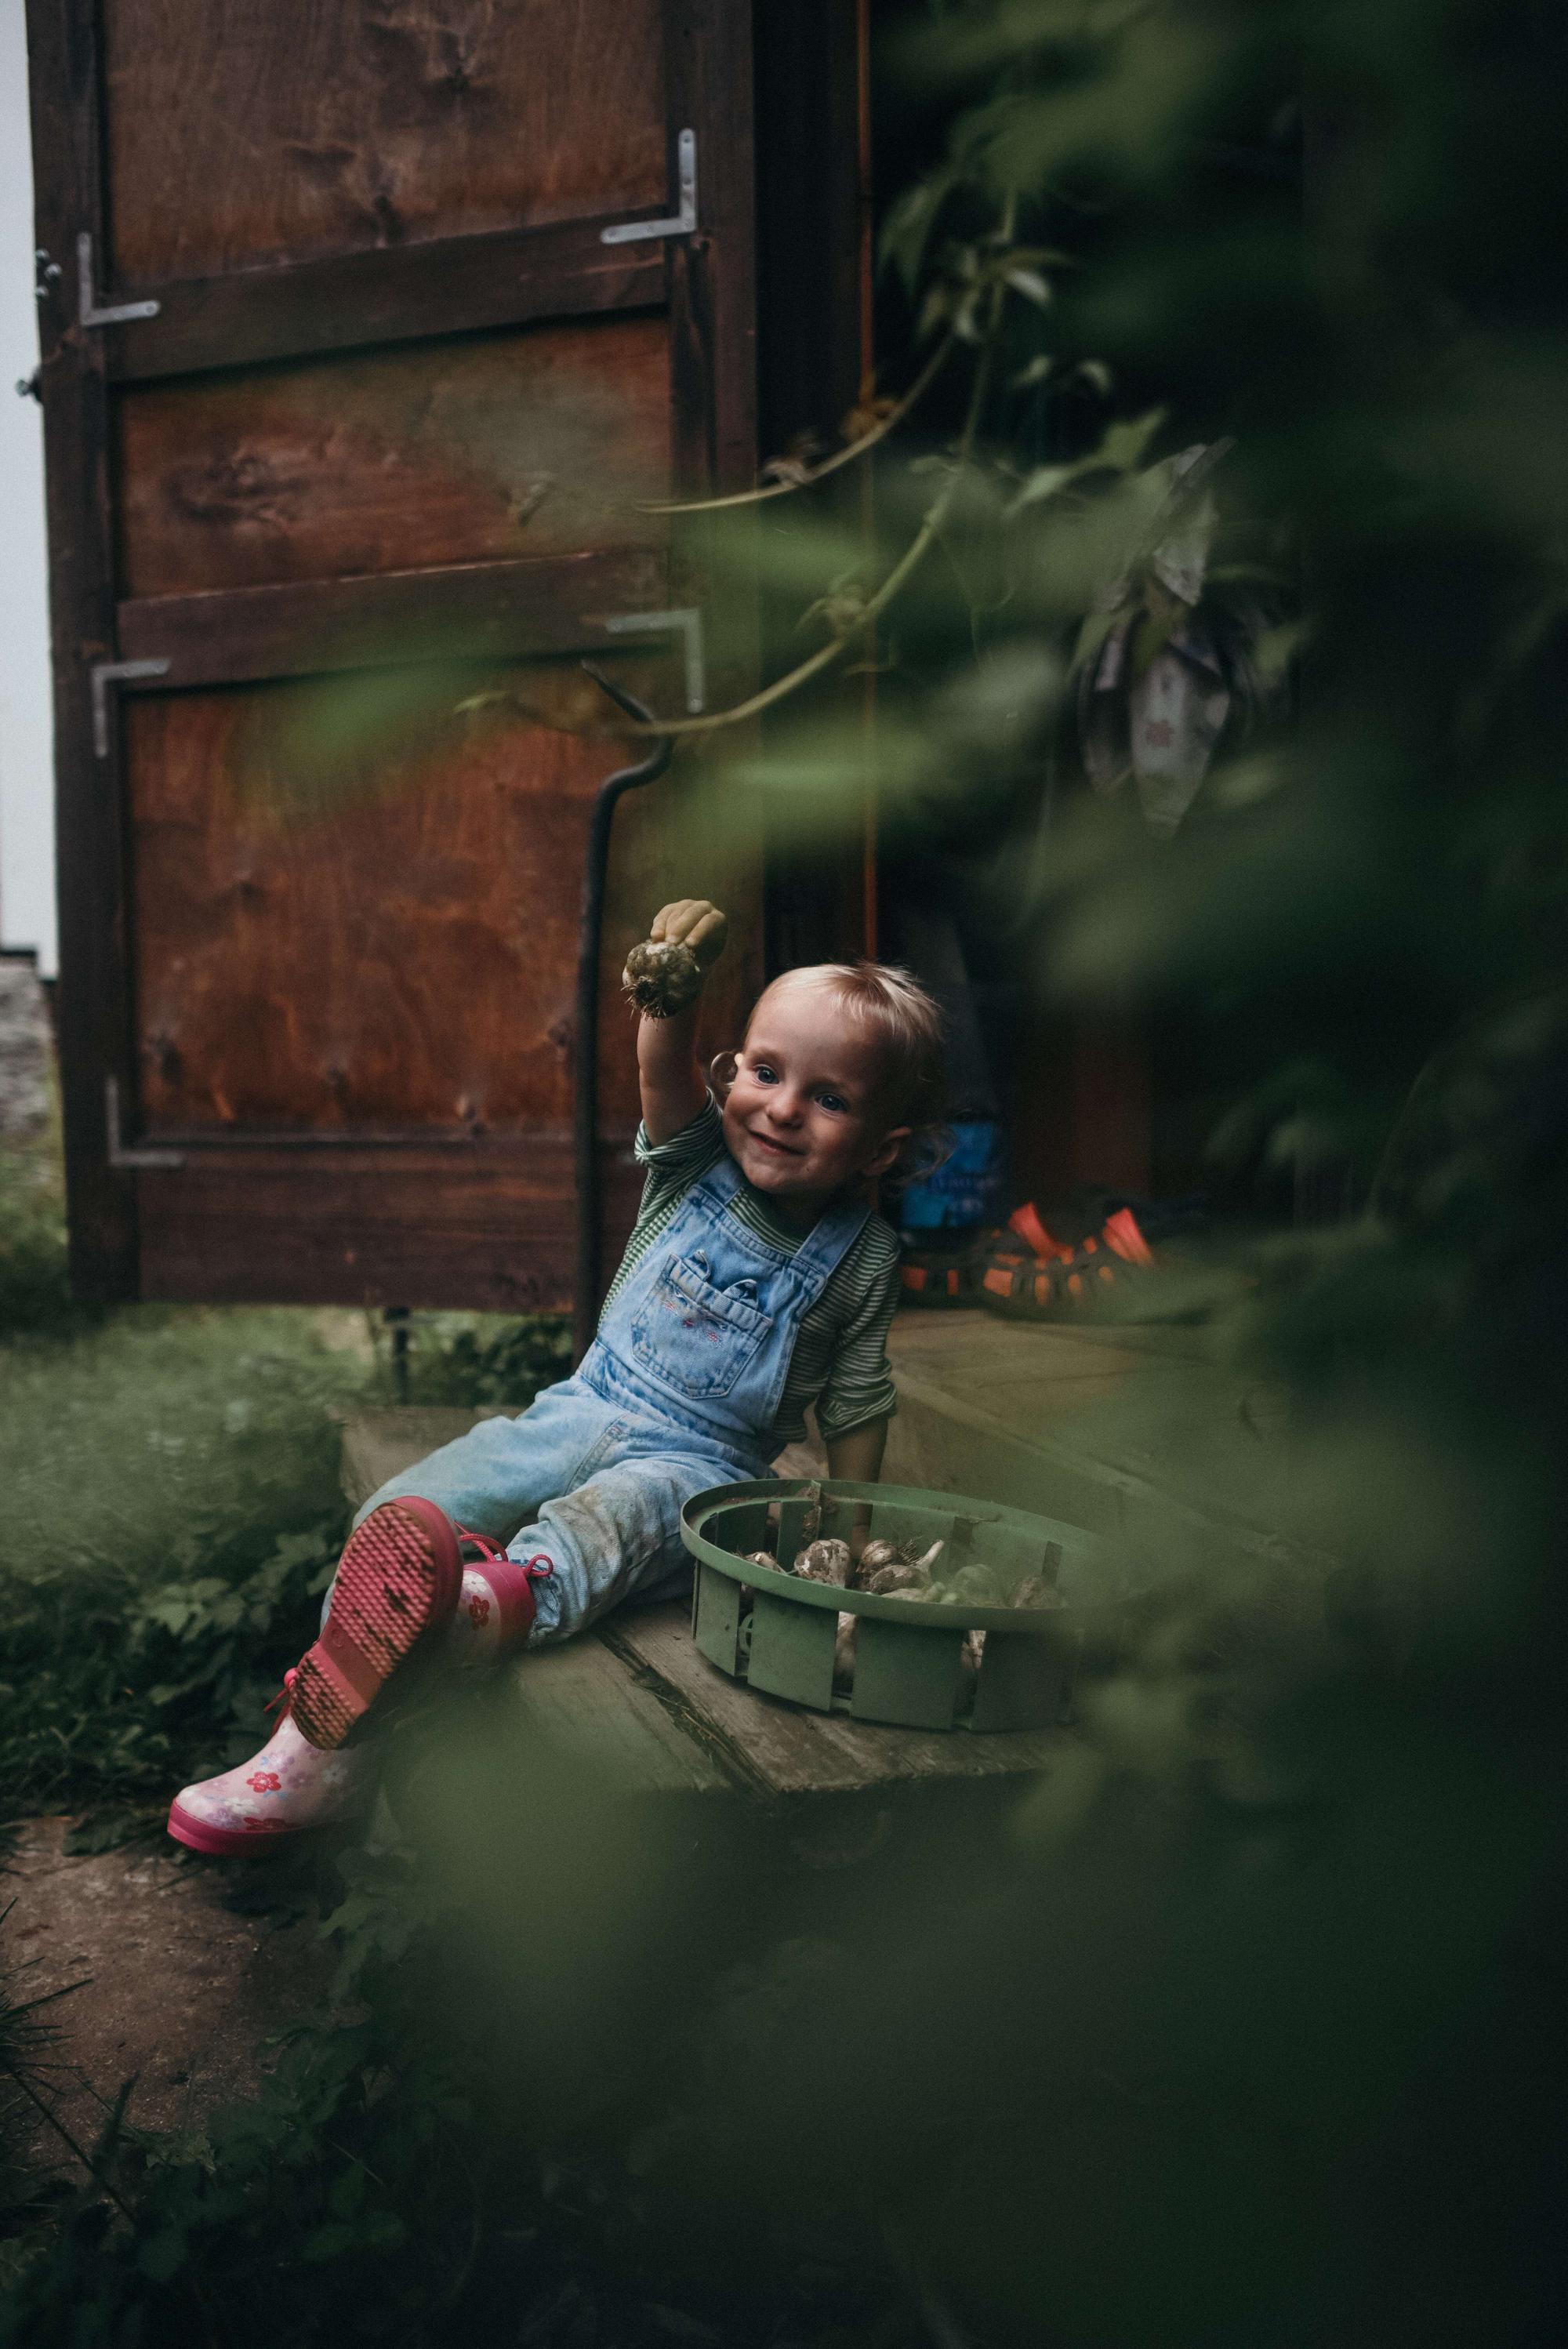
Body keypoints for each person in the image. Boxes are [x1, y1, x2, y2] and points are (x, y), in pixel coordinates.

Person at [168, 899, 947, 1853]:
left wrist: (850, 1531)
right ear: (728, 1072)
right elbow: (658, 1066)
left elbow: (858, 1396)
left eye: (829, 1098)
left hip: (704, 1463)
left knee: (612, 1521)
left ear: (880, 1148)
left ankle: (477, 1612)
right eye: (765, 1070)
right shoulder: (694, 1163)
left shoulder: (861, 1255)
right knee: (408, 1506)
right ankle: (319, 1743)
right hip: (582, 1406)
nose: (782, 1107)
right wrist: (668, 993)